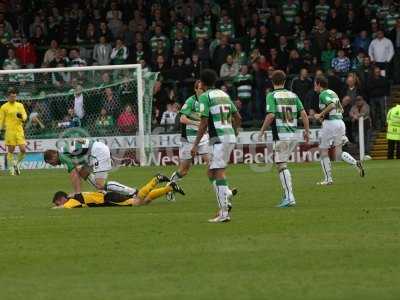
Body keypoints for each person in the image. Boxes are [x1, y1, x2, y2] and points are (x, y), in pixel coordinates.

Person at [191, 69, 241, 223]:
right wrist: (235, 132)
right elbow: (238, 116)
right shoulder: (224, 94)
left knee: (218, 173)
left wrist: (195, 144)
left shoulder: (205, 97)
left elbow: (204, 122)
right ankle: (225, 198)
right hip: (227, 136)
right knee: (211, 173)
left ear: (202, 83)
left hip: (218, 138)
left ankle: (224, 213)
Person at [258, 70, 310, 207]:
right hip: (294, 134)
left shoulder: (271, 95)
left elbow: (271, 115)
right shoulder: (293, 95)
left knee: (281, 165)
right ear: (285, 81)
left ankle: (289, 196)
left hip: (281, 135)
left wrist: (262, 131)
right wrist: (307, 131)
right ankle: (287, 194)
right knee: (280, 164)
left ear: (272, 82)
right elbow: (304, 114)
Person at [314, 76, 365, 185]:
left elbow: (332, 105)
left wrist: (320, 114)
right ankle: (355, 163)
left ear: (319, 84)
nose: (314, 87)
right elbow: (340, 109)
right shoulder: (333, 93)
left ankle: (328, 179)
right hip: (340, 122)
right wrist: (324, 116)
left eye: (315, 84)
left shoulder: (323, 94)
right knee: (338, 151)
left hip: (331, 124)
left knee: (323, 151)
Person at [43, 139, 136, 196]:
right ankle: (103, 194)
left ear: (54, 156)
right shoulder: (64, 151)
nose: (54, 165)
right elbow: (78, 170)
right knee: (82, 171)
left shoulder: (62, 155)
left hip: (98, 152)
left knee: (100, 184)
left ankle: (132, 192)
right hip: (95, 152)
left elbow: (73, 174)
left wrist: (77, 194)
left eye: (52, 163)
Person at [167, 81, 209, 201]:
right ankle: (169, 188)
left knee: (211, 163)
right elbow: (182, 118)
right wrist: (196, 123)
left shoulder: (207, 101)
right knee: (184, 170)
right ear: (196, 89)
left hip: (203, 138)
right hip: (188, 140)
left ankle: (223, 191)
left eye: (204, 88)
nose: (203, 90)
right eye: (201, 88)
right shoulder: (190, 101)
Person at [52, 174, 185, 208]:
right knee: (145, 201)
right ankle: (169, 187)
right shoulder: (76, 196)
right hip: (107, 196)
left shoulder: (72, 201)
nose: (59, 205)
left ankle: (156, 179)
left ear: (62, 200)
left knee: (138, 202)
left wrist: (55, 208)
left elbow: (64, 207)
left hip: (109, 199)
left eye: (58, 203)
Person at [0, 87, 27, 175]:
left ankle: (16, 164)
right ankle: (12, 168)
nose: (13, 98)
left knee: (23, 149)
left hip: (19, 130)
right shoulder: (4, 107)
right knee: (11, 150)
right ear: (8, 97)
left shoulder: (20, 105)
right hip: (10, 131)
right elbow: (1, 119)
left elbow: (25, 116)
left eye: (15, 97)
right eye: (12, 97)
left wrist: (22, 117)